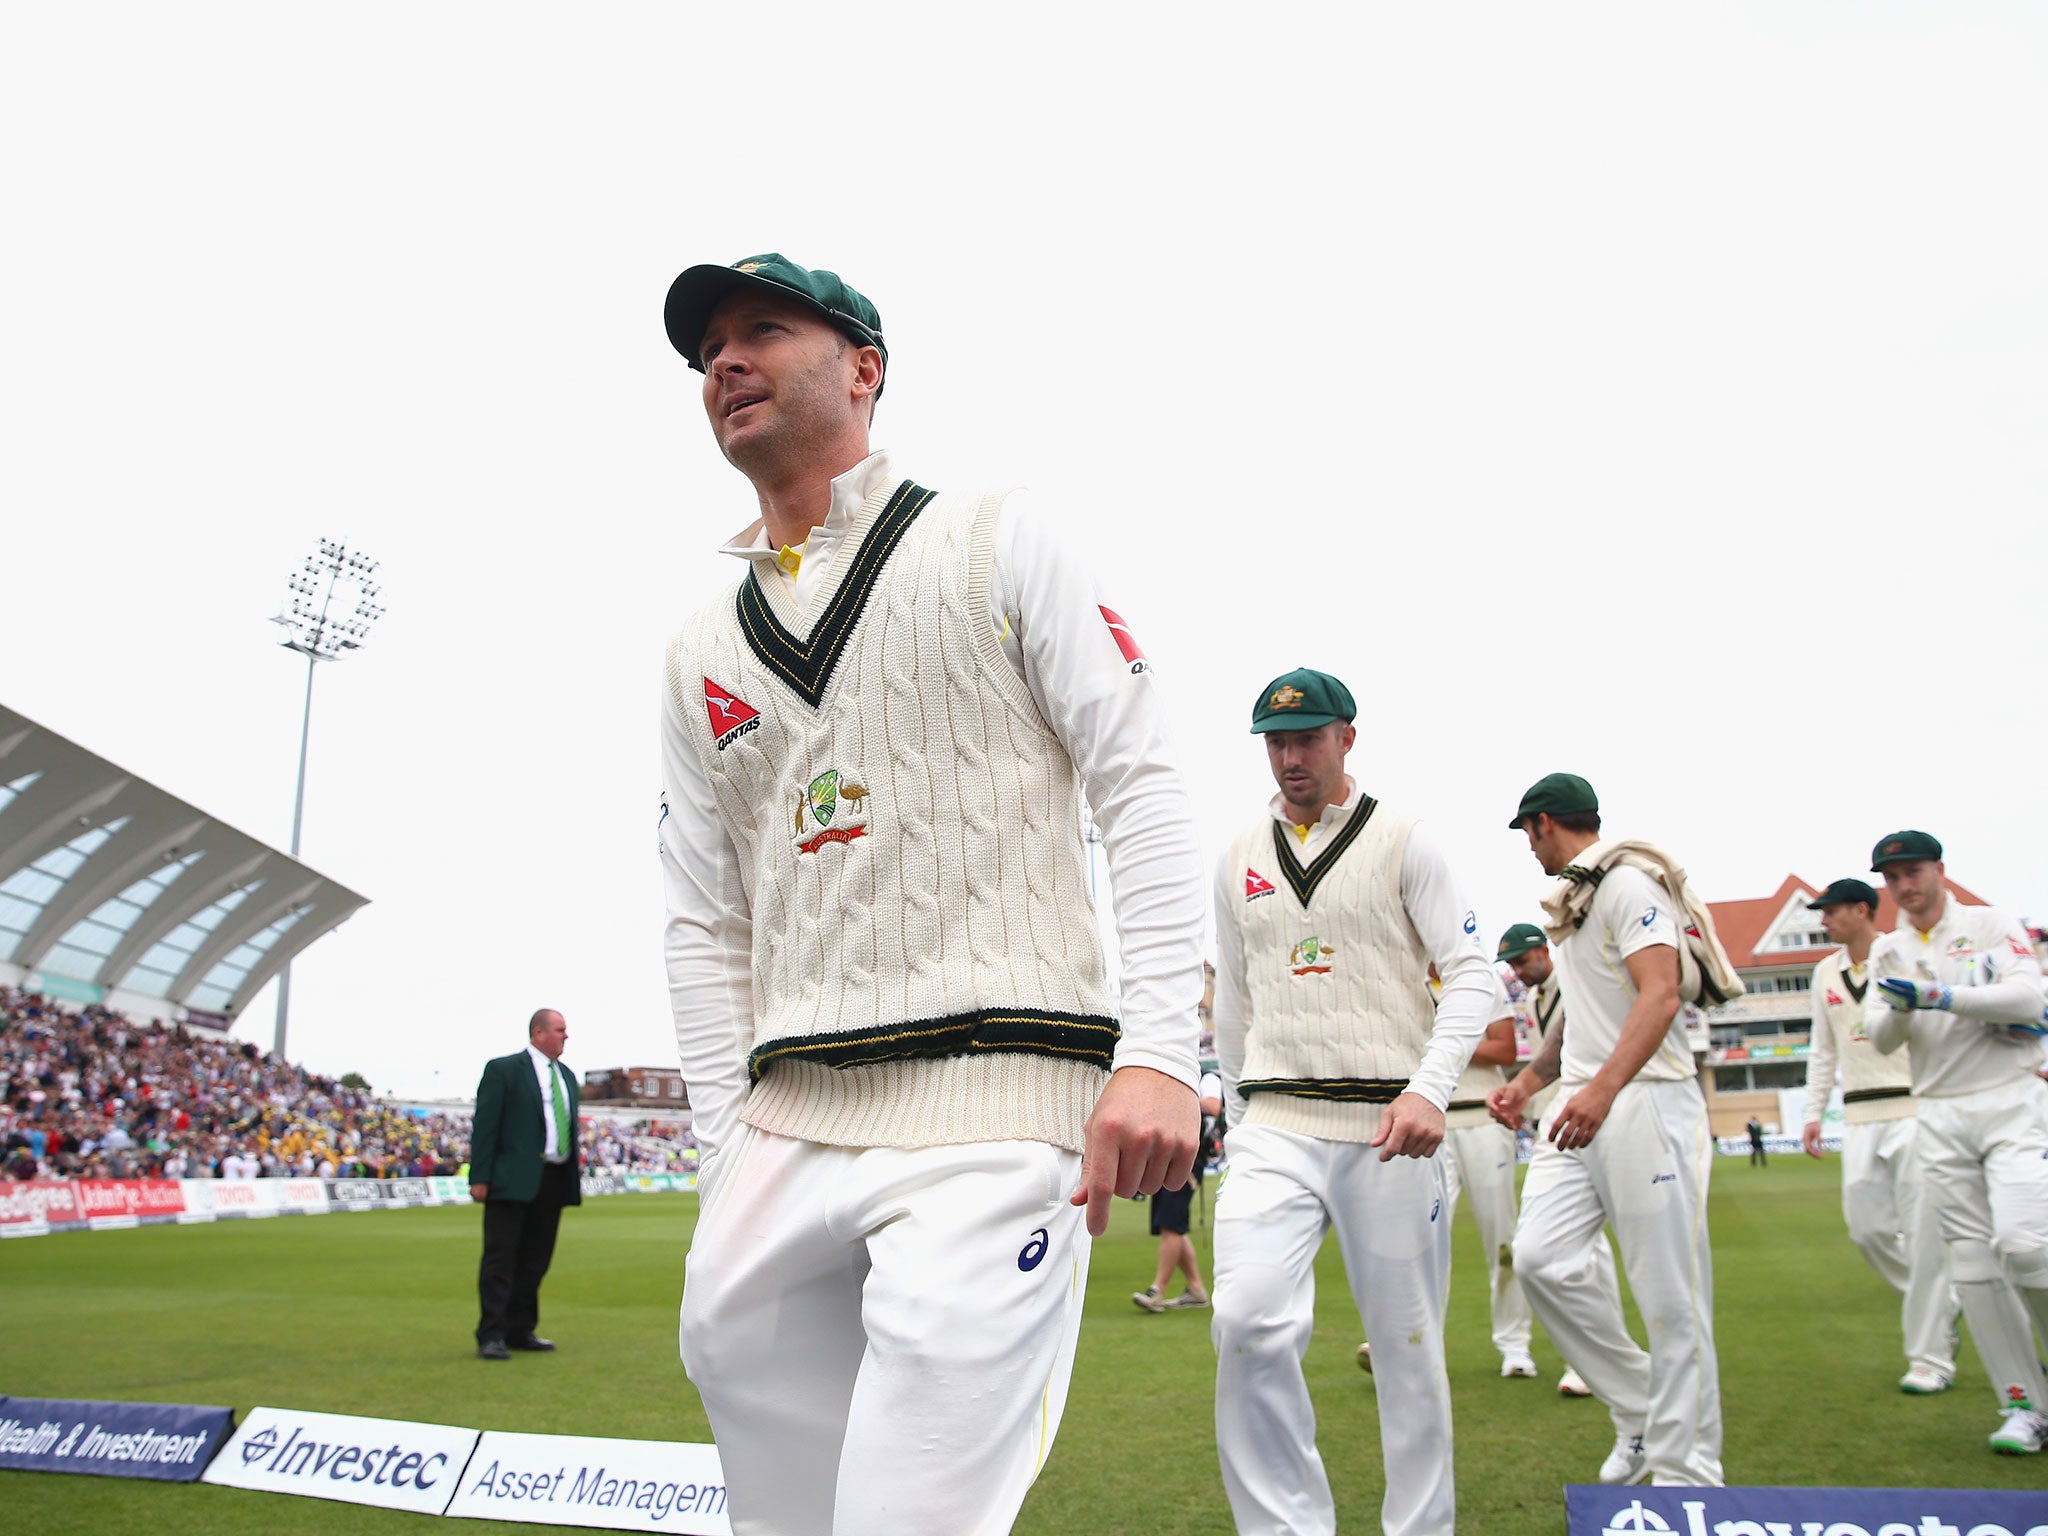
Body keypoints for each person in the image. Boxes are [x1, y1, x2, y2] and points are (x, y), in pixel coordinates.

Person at [657, 253, 1204, 1536]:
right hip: (783, 1128)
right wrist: (719, 1143)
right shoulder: (696, 651)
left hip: (996, 1104)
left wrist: (1163, 1052)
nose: (723, 363)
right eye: (707, 351)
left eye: (761, 331)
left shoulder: (996, 536)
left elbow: (1141, 787)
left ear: (863, 367)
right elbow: (700, 914)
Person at [1210, 667, 1493, 1536]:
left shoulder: (1407, 840)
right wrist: (1236, 1111)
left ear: (1346, 738)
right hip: (1277, 1124)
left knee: (1408, 1359)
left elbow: (1472, 973)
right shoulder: (1236, 855)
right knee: (1247, 1321)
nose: (1290, 757)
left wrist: (1427, 1090)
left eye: (1307, 739)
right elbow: (1234, 999)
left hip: (1390, 1129)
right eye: (1276, 741)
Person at [1487, 773, 1724, 1487]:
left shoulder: (1627, 886)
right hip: (1585, 1102)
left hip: (1645, 1101)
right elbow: (1583, 1012)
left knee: (1669, 1296)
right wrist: (1530, 1083)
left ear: (1543, 825)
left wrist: (1602, 1088)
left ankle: (1690, 1474)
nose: (1530, 850)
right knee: (1540, 1260)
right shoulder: (1582, 901)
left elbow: (1661, 993)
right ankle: (1644, 1415)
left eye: (1528, 835)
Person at [1863, 830, 2048, 1455]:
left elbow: (2029, 996)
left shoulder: (1990, 925)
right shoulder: (1888, 950)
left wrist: (1940, 996)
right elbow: (1880, 1039)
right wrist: (1902, 1009)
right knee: (1973, 1270)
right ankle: (2024, 1406)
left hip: (2010, 1101)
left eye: (1912, 872)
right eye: (1892, 878)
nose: (1903, 886)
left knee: (2026, 1246)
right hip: (1938, 1114)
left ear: (1939, 870)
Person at [1799, 876, 1961, 1395]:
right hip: (1859, 1115)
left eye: (1831, 911)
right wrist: (1812, 1113)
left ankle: (1930, 1359)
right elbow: (1823, 1050)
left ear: (1864, 911)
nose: (1824, 920)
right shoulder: (1824, 971)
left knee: (1922, 1234)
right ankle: (1943, 1306)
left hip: (1913, 1105)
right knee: (1866, 1230)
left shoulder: (1902, 956)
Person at [1498, 921, 1611, 1400]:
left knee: (1589, 1250)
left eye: (1524, 961)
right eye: (1513, 966)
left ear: (1546, 951)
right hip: (1552, 1119)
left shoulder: (1575, 982)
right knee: (1547, 1247)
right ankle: (1587, 1355)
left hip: (1583, 1114)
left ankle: (1591, 1360)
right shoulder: (1534, 1000)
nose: (1520, 973)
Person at [469, 1008, 581, 1360]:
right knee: (501, 1259)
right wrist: (480, 1176)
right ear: (538, 1032)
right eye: (560, 1029)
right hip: (510, 1180)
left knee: (536, 1259)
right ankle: (491, 1333)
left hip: (553, 1178)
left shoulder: (567, 1075)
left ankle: (521, 1329)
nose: (566, 1036)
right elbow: (485, 1124)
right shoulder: (503, 1070)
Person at [1134, 1068, 1224, 1312]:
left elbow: (1214, 1107)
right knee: (1170, 1224)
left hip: (1189, 1156)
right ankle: (1195, 1289)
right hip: (1168, 1154)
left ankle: (1158, 1290)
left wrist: (1176, 1095)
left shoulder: (1207, 1078)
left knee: (1171, 1223)